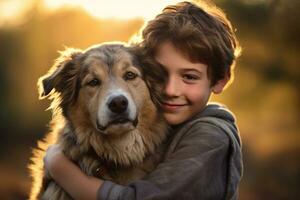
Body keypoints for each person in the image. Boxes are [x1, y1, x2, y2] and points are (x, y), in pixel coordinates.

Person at [43, 1, 243, 199]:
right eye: (94, 82)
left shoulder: (210, 136)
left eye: (130, 76)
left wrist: (60, 168)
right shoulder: (173, 123)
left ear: (219, 80)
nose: (170, 90)